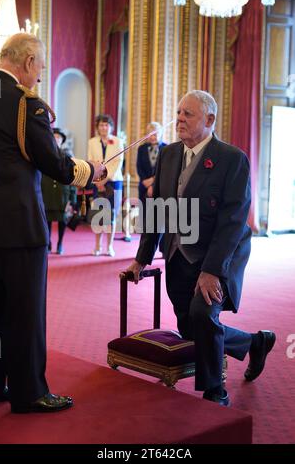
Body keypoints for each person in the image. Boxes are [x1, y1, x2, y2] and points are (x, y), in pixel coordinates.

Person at [123, 90, 276, 406]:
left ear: (209, 120)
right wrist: (141, 260)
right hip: (179, 254)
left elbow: (232, 221)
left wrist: (211, 271)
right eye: (178, 112)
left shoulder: (232, 159)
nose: (179, 118)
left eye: (187, 114)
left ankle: (215, 390)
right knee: (192, 329)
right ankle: (254, 343)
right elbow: (157, 211)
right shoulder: (168, 155)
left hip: (218, 256)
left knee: (203, 313)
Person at [0, 33, 106, 413]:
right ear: (27, 62)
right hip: (19, 227)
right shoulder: (25, 104)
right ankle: (29, 392)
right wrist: (91, 171)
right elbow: (54, 163)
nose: (39, 77)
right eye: (40, 68)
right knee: (24, 314)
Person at [88, 114, 124, 257]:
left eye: (106, 125)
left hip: (114, 181)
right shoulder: (92, 142)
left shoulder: (117, 141)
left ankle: (109, 247)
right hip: (97, 181)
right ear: (97, 127)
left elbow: (118, 162)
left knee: (111, 215)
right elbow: (91, 161)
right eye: (101, 125)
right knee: (99, 214)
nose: (104, 127)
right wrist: (98, 180)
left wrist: (106, 178)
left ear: (111, 127)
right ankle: (97, 246)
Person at [42, 128, 77, 255]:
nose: (56, 139)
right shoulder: (43, 154)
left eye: (59, 137)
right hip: (47, 193)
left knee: (62, 220)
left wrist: (72, 200)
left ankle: (60, 243)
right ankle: (48, 243)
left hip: (63, 193)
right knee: (47, 221)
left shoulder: (67, 155)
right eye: (54, 136)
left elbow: (74, 177)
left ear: (62, 140)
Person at [136, 122, 167, 203]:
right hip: (144, 186)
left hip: (160, 186)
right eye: (150, 134)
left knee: (158, 214)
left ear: (160, 134)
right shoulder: (141, 148)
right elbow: (139, 167)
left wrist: (153, 181)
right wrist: (145, 182)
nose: (153, 137)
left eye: (155, 134)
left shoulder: (166, 148)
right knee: (144, 214)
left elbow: (166, 169)